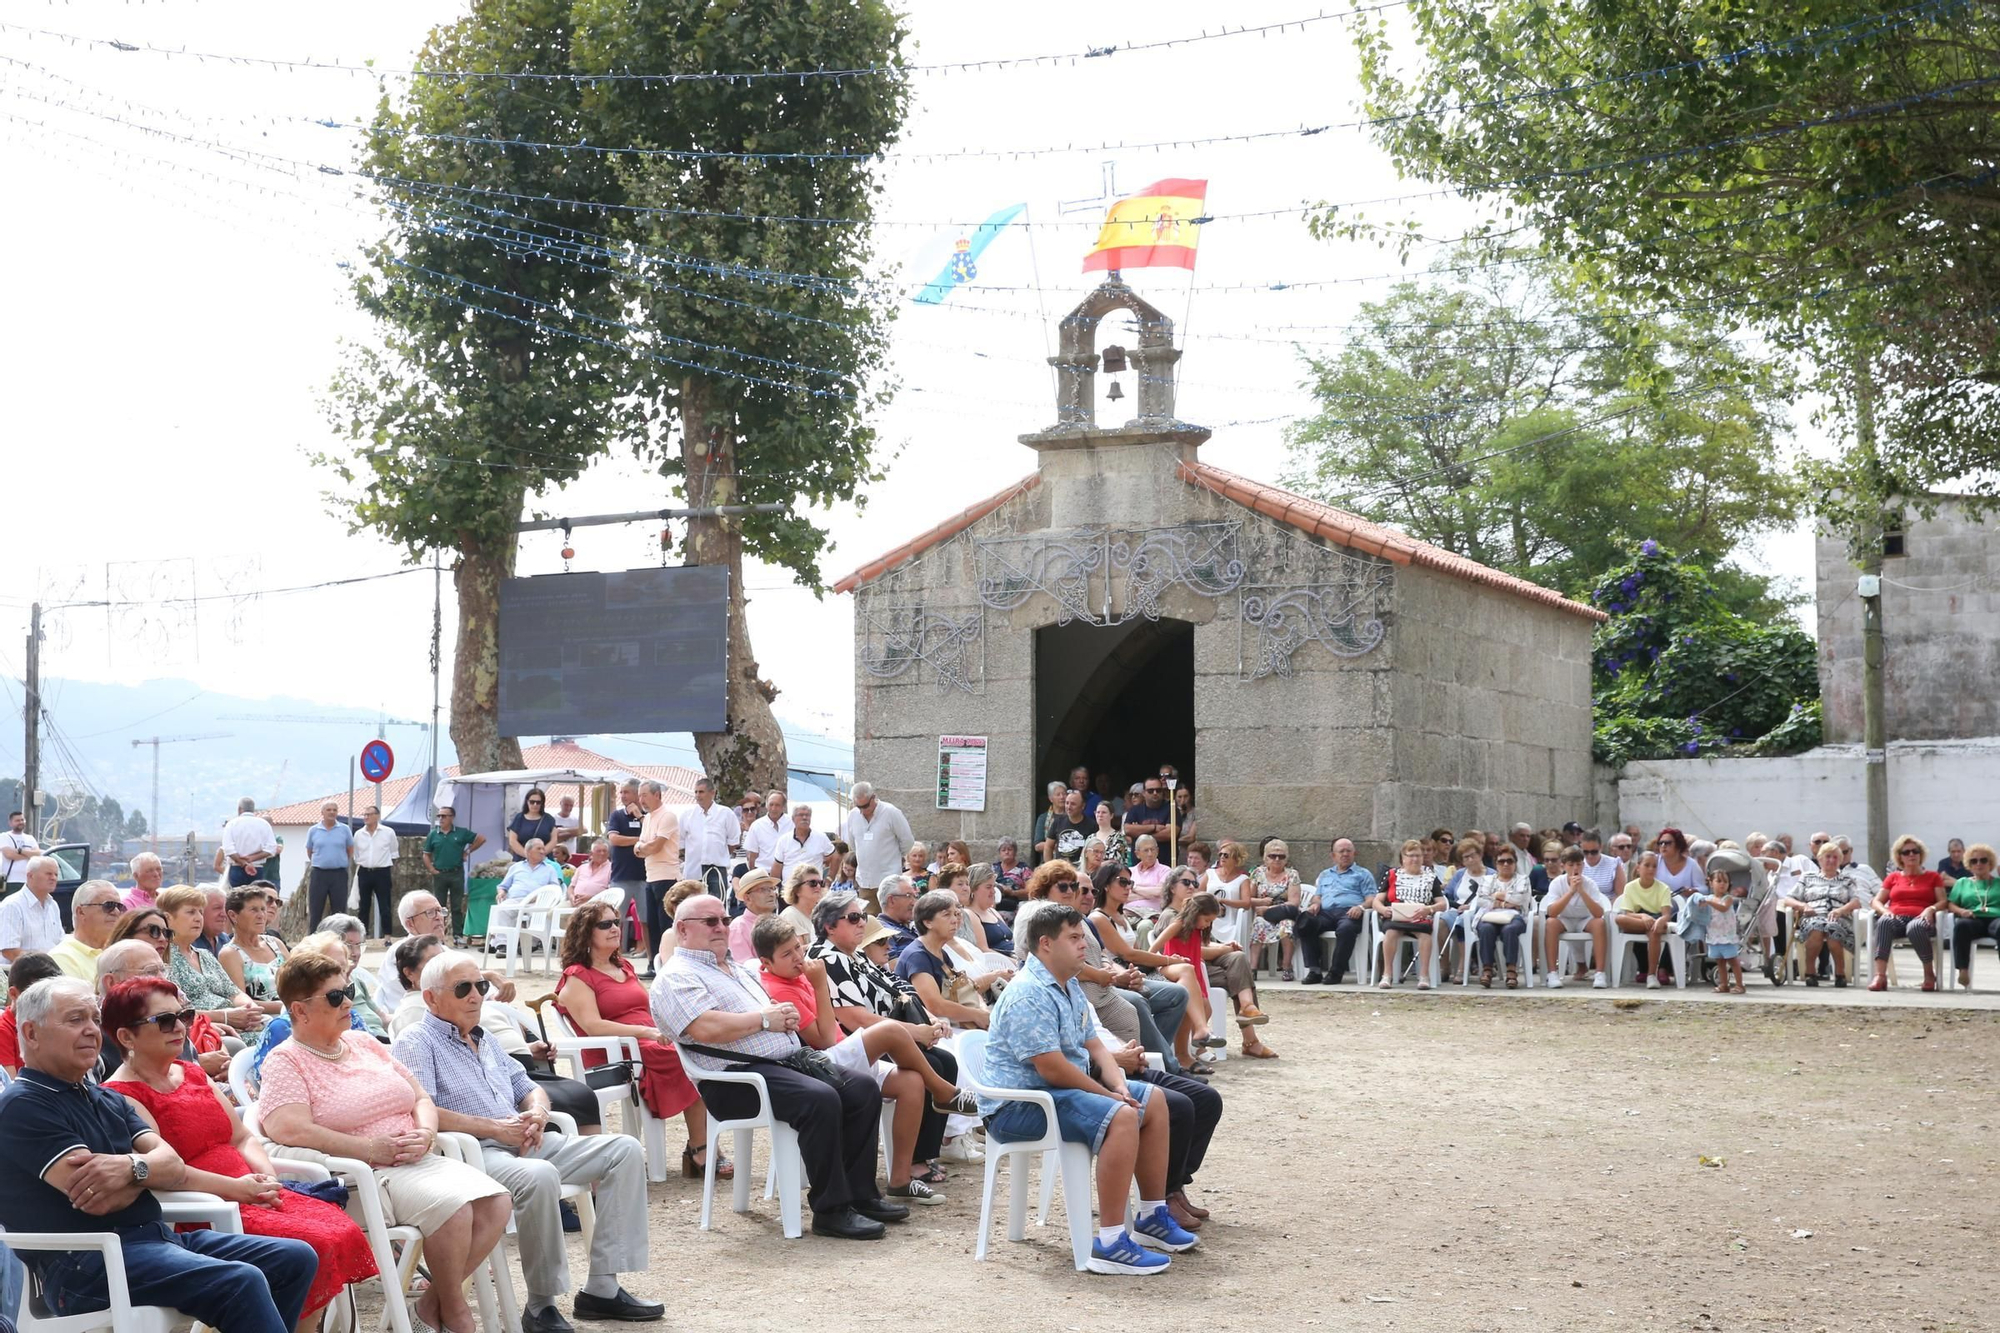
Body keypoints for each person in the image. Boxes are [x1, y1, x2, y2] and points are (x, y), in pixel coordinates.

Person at [0, 977, 319, 1333]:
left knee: (294, 1257)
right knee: (240, 1280)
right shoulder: (23, 1106)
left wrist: (130, 1167)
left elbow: (172, 1165)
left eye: (93, 1018)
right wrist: (147, 1169)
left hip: (152, 1240)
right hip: (87, 1265)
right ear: (31, 1033)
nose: (92, 1030)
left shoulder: (105, 1098)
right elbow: (99, 1198)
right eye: (75, 1020)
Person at [395, 951, 662, 1332]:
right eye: (463, 988)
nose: (476, 996)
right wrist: (493, 1128)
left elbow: (528, 1086)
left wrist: (537, 1113)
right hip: (470, 1154)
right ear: (431, 998)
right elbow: (426, 1110)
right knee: (538, 1175)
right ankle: (541, 1304)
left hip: (521, 1142)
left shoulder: (483, 1038)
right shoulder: (416, 1040)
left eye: (481, 986)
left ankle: (602, 1287)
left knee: (624, 1149)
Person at [100, 976, 377, 1333]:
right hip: (204, 1206)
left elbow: (242, 1136)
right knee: (315, 1241)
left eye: (184, 1015)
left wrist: (267, 1177)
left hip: (252, 1190)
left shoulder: (193, 1073)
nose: (180, 1027)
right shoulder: (122, 1095)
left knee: (339, 1228)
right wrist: (239, 1190)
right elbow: (170, 1172)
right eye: (164, 1021)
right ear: (126, 1037)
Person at [257, 952, 511, 1333]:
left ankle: (429, 1307)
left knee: (496, 1203)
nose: (347, 1002)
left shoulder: (363, 1042)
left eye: (349, 991)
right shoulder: (286, 1061)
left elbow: (422, 1098)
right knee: (457, 1210)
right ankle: (457, 1314)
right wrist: (369, 1149)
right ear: (300, 1010)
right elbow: (289, 1130)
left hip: (416, 1159)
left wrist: (425, 1134)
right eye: (334, 997)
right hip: (363, 1176)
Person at [652, 893, 908, 1241]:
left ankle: (860, 1194)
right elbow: (704, 1028)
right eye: (711, 922)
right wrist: (764, 1019)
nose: (721, 928)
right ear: (682, 929)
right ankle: (831, 1209)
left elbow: (774, 1015)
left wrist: (781, 1015)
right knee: (820, 1098)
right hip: (735, 1080)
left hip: (782, 1065)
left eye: (724, 921)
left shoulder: (737, 970)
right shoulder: (677, 975)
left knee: (861, 1087)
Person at [978, 905, 1196, 1275]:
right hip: (1019, 1106)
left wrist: (1115, 1084)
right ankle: (1110, 1242)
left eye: (1083, 937)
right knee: (1122, 1115)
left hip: (1057, 1094)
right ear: (1045, 944)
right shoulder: (1028, 992)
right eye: (1075, 938)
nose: (1084, 946)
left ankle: (1150, 1215)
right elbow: (1050, 1066)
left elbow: (1093, 1044)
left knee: (1154, 1100)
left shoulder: (1069, 984)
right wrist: (1107, 1095)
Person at [755, 915, 976, 1206]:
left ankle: (900, 1179)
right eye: (787, 954)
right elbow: (823, 1039)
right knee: (889, 1030)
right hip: (816, 1064)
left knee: (912, 1081)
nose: (798, 957)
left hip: (836, 1054)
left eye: (798, 947)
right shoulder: (781, 987)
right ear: (766, 963)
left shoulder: (801, 974)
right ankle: (944, 1091)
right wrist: (821, 986)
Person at [806, 892, 972, 1181]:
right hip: (859, 1043)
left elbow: (899, 988)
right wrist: (914, 1031)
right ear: (830, 927)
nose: (862, 924)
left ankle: (924, 1155)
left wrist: (928, 1020)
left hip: (891, 1034)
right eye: (854, 917)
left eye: (864, 917)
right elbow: (854, 1018)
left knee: (945, 1061)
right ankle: (914, 1161)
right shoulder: (826, 957)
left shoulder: (855, 954)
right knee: (932, 1065)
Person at [555, 901, 714, 1177]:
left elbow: (649, 1007)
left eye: (616, 922)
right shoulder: (578, 976)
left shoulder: (624, 965)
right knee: (682, 1055)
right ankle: (699, 1148)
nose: (615, 928)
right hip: (613, 1050)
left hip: (648, 1040)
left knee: (700, 1048)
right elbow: (593, 1026)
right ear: (584, 932)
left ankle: (699, 1144)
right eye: (605, 924)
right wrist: (647, 1032)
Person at [159, 886, 263, 1032]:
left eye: (201, 912)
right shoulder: (163, 959)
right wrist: (225, 1016)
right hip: (207, 1029)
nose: (198, 918)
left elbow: (234, 992)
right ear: (167, 918)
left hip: (237, 1021)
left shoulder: (205, 955)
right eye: (190, 912)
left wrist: (250, 1008)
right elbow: (174, 1012)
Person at [896, 891, 991, 1031]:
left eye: (955, 914)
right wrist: (976, 1015)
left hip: (951, 1024)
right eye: (946, 915)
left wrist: (983, 1011)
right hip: (930, 1030)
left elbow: (963, 987)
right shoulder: (916, 956)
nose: (954, 920)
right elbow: (935, 1005)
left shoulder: (940, 952)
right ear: (928, 922)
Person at [1289, 839, 1376, 985]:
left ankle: (1336, 972)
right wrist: (1315, 904)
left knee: (1346, 929)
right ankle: (1314, 971)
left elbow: (1371, 898)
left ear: (1355, 853)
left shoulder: (1363, 874)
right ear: (1333, 856)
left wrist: (1360, 907)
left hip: (1350, 913)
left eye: (1349, 851)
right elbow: (1317, 896)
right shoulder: (1325, 875)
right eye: (1341, 851)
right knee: (1306, 922)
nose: (1345, 854)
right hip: (1327, 913)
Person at [1779, 840, 1864, 988]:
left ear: (1840, 860)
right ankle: (1810, 972)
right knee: (1818, 927)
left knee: (1832, 927)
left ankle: (1839, 973)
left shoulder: (1848, 880)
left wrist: (1840, 910)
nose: (1831, 860)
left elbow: (1856, 902)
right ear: (1820, 859)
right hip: (1812, 917)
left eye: (1835, 857)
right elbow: (1788, 899)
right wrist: (1803, 906)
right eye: (1828, 856)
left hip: (1838, 918)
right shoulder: (1807, 877)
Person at [1869, 833, 1948, 991]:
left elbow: (1943, 901)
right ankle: (1880, 976)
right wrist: (1884, 911)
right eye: (1906, 852)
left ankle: (1928, 974)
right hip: (1896, 917)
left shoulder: (1933, 877)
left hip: (1921, 918)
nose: (1911, 854)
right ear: (1900, 857)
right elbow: (1875, 901)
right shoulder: (1893, 878)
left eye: (1915, 851)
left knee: (1915, 927)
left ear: (1921, 854)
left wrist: (1930, 909)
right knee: (1883, 922)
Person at [1374, 839, 1444, 991]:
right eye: (1411, 855)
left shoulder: (1430, 877)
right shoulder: (1392, 875)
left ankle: (1424, 976)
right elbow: (1377, 901)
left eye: (1418, 856)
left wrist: (1429, 909)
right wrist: (1383, 910)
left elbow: (1442, 904)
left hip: (1420, 917)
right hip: (1396, 916)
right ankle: (1387, 974)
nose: (1415, 859)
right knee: (1391, 933)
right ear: (1403, 858)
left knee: (1425, 935)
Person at [632, 780, 684, 978]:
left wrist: (642, 847)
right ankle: (654, 965)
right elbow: (640, 847)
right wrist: (643, 847)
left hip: (667, 877)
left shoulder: (668, 816)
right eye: (640, 795)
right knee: (651, 924)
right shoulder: (647, 819)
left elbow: (654, 847)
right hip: (651, 876)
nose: (641, 800)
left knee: (665, 925)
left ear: (657, 795)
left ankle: (669, 965)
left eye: (645, 795)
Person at [1541, 846, 1611, 989]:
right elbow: (1552, 912)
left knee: (1599, 923)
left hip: (1585, 919)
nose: (1575, 868)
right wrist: (1571, 891)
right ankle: (1552, 973)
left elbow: (1598, 913)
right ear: (1564, 866)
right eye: (1571, 865)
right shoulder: (1557, 883)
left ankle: (1599, 973)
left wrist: (1581, 891)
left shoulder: (1589, 883)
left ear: (1583, 865)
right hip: (1564, 919)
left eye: (1578, 864)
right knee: (1550, 923)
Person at [219, 885, 289, 1017]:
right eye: (254, 910)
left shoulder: (276, 944)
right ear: (233, 915)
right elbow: (241, 1001)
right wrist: (286, 1006)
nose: (261, 915)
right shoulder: (230, 954)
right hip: (263, 1019)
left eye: (263, 909)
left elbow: (300, 979)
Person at [1471, 846, 1534, 988]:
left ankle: (1511, 970)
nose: (1506, 864)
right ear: (1496, 864)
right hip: (1489, 916)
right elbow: (1481, 900)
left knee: (1510, 929)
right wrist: (1507, 903)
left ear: (1515, 863)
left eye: (1509, 861)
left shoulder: (1522, 879)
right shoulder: (1487, 880)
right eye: (1501, 861)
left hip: (1516, 917)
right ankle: (1487, 969)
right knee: (1486, 928)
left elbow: (1520, 899)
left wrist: (1497, 896)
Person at [1612, 850, 1676, 989]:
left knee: (1654, 931)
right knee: (1620, 919)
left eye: (1654, 866)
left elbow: (1666, 914)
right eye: (1647, 865)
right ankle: (1650, 973)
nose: (1651, 869)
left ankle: (1651, 975)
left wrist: (1658, 921)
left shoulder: (1663, 888)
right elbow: (1628, 913)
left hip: (1656, 920)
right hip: (1637, 919)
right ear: (1638, 867)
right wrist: (1642, 916)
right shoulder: (1630, 887)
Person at [422, 805, 486, 943]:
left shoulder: (461, 833)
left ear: (452, 818)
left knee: (457, 905)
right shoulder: (434, 834)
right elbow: (426, 854)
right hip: (440, 874)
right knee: (439, 906)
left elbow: (480, 839)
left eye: (444, 816)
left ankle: (458, 935)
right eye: (439, 816)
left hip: (456, 872)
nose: (441, 819)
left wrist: (467, 851)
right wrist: (431, 869)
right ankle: (439, 936)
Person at [1945, 843, 2000, 986]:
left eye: (1983, 860)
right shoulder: (1962, 883)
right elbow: (1950, 904)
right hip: (1973, 918)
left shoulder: (1998, 882)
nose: (1979, 864)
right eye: (1974, 861)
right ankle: (1963, 970)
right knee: (1961, 925)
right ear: (1968, 864)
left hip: (1996, 918)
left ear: (1991, 863)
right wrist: (1961, 911)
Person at [0, 952, 65, 1074]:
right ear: (14, 994)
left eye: (52, 996)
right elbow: (10, 1085)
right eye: (38, 997)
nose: (47, 1003)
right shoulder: (3, 1031)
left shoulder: (54, 1024)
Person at [47, 879, 123, 982]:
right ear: (81, 912)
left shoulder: (119, 953)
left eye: (120, 906)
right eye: (109, 906)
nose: (116, 912)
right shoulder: (62, 957)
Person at [677, 776, 740, 899]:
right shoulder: (687, 815)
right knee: (694, 905)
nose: (697, 795)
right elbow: (681, 841)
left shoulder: (726, 813)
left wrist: (719, 854)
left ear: (712, 793)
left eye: (701, 792)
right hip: (693, 870)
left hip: (717, 869)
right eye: (696, 792)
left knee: (717, 904)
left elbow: (733, 842)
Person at [1248, 840, 1302, 979]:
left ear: (1286, 859)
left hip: (1283, 913)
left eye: (1281, 856)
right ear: (1265, 857)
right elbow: (1247, 898)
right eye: (1273, 856)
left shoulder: (1292, 874)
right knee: (1258, 923)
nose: (1277, 859)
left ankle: (1286, 967)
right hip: (1261, 915)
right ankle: (1253, 968)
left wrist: (1269, 908)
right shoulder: (1257, 873)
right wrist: (1261, 902)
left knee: (1287, 925)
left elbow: (1294, 903)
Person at [344, 804, 397, 942]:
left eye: (369, 814)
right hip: (364, 871)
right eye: (365, 815)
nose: (366, 817)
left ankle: (387, 937)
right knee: (364, 906)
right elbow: (356, 854)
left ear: (377, 816)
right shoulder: (359, 834)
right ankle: (363, 936)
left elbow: (393, 852)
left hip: (382, 872)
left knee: (385, 905)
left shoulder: (388, 832)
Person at [299, 803, 353, 931]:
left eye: (335, 810)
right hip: (319, 874)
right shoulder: (313, 830)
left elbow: (350, 850)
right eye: (328, 810)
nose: (332, 812)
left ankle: (340, 938)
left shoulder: (344, 829)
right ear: (322, 812)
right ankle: (313, 937)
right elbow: (309, 851)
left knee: (339, 910)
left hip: (339, 874)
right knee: (315, 908)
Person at [0, 855, 63, 963]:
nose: (54, 878)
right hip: (22, 974)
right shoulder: (12, 906)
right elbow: (9, 950)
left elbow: (60, 941)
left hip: (51, 972)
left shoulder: (53, 905)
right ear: (30, 876)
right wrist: (43, 965)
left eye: (56, 874)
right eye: (48, 874)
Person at [1701, 866, 1747, 994]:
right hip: (1714, 935)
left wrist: (1709, 903)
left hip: (1727, 936)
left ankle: (1739, 984)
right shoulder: (1709, 898)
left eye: (1725, 882)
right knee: (1720, 962)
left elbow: (1723, 908)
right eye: (1719, 881)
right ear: (1711, 883)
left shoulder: (1727, 898)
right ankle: (1723, 984)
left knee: (1733, 961)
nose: (1722, 884)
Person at [220, 798, 280, 889]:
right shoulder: (264, 824)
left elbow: (228, 849)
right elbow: (271, 849)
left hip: (237, 867)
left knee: (236, 899)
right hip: (257, 868)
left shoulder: (232, 824)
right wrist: (252, 858)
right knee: (255, 898)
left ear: (239, 809)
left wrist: (244, 863)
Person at [770, 804, 835, 884]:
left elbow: (835, 857)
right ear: (793, 819)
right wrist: (773, 887)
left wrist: (829, 879)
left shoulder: (821, 837)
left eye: (807, 815)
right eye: (801, 815)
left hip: (814, 888)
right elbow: (777, 866)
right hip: (790, 889)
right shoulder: (784, 840)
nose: (804, 818)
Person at [726, 870, 781, 964]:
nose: (772, 894)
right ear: (747, 898)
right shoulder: (739, 927)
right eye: (763, 890)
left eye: (772, 889)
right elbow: (745, 968)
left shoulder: (780, 922)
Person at [496, 839, 566, 907]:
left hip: (537, 903)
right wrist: (501, 892)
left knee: (537, 914)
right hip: (514, 901)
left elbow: (555, 888)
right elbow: (503, 886)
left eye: (543, 849)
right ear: (528, 851)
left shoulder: (550, 869)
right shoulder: (516, 867)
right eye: (538, 849)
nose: (542, 852)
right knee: (501, 910)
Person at [741, 789, 788, 877]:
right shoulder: (757, 826)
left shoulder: (792, 824)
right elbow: (752, 856)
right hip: (764, 874)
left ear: (783, 807)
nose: (773, 808)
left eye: (777, 805)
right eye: (771, 804)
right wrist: (754, 876)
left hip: (787, 873)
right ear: (766, 805)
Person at [1042, 788, 1092, 865]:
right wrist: (1050, 866)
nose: (1068, 807)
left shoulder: (1091, 825)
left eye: (1073, 804)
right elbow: (1048, 846)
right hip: (1060, 868)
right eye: (1067, 803)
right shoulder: (1058, 822)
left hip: (1081, 869)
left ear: (1082, 806)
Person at [0, 810, 42, 901]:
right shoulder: (4, 836)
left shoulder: (30, 838)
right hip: (11, 881)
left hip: (28, 881)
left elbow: (38, 854)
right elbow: (9, 854)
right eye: (17, 820)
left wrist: (18, 851)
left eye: (22, 820)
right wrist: (29, 854)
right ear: (10, 823)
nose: (21, 822)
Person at [778, 862, 826, 942]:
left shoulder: (820, 914)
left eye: (821, 883)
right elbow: (798, 951)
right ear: (797, 890)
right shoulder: (790, 916)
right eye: (812, 883)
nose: (818, 886)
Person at [507, 788, 557, 861]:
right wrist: (527, 855)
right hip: (522, 861)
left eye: (538, 802)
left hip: (544, 861)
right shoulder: (519, 818)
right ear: (527, 802)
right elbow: (512, 841)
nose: (535, 804)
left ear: (542, 803)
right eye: (532, 802)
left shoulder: (549, 819)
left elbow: (553, 840)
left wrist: (540, 854)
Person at [876, 875, 920, 958]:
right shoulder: (882, 931)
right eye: (908, 896)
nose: (914, 903)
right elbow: (891, 965)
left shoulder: (914, 926)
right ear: (891, 900)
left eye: (915, 896)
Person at [1121, 778, 1174, 845]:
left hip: (1165, 854)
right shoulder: (1134, 810)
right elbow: (1128, 829)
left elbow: (1169, 834)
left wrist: (1139, 833)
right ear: (1144, 793)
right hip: (1139, 854)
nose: (1155, 793)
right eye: (1150, 791)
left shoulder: (1171, 809)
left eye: (1158, 790)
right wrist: (1154, 827)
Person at [1031, 781, 1068, 870]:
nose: (1062, 797)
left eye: (1064, 794)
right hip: (1048, 864)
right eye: (1058, 794)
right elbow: (1038, 846)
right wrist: (1060, 845)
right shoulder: (1043, 818)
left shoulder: (1072, 817)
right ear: (1051, 798)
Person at [567, 841, 615, 905]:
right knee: (552, 912)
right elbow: (571, 887)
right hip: (575, 902)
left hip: (597, 904)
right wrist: (571, 896)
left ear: (608, 854)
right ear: (591, 854)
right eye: (598, 851)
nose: (602, 853)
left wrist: (592, 897)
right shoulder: (582, 867)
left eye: (605, 851)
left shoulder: (612, 868)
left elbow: (611, 891)